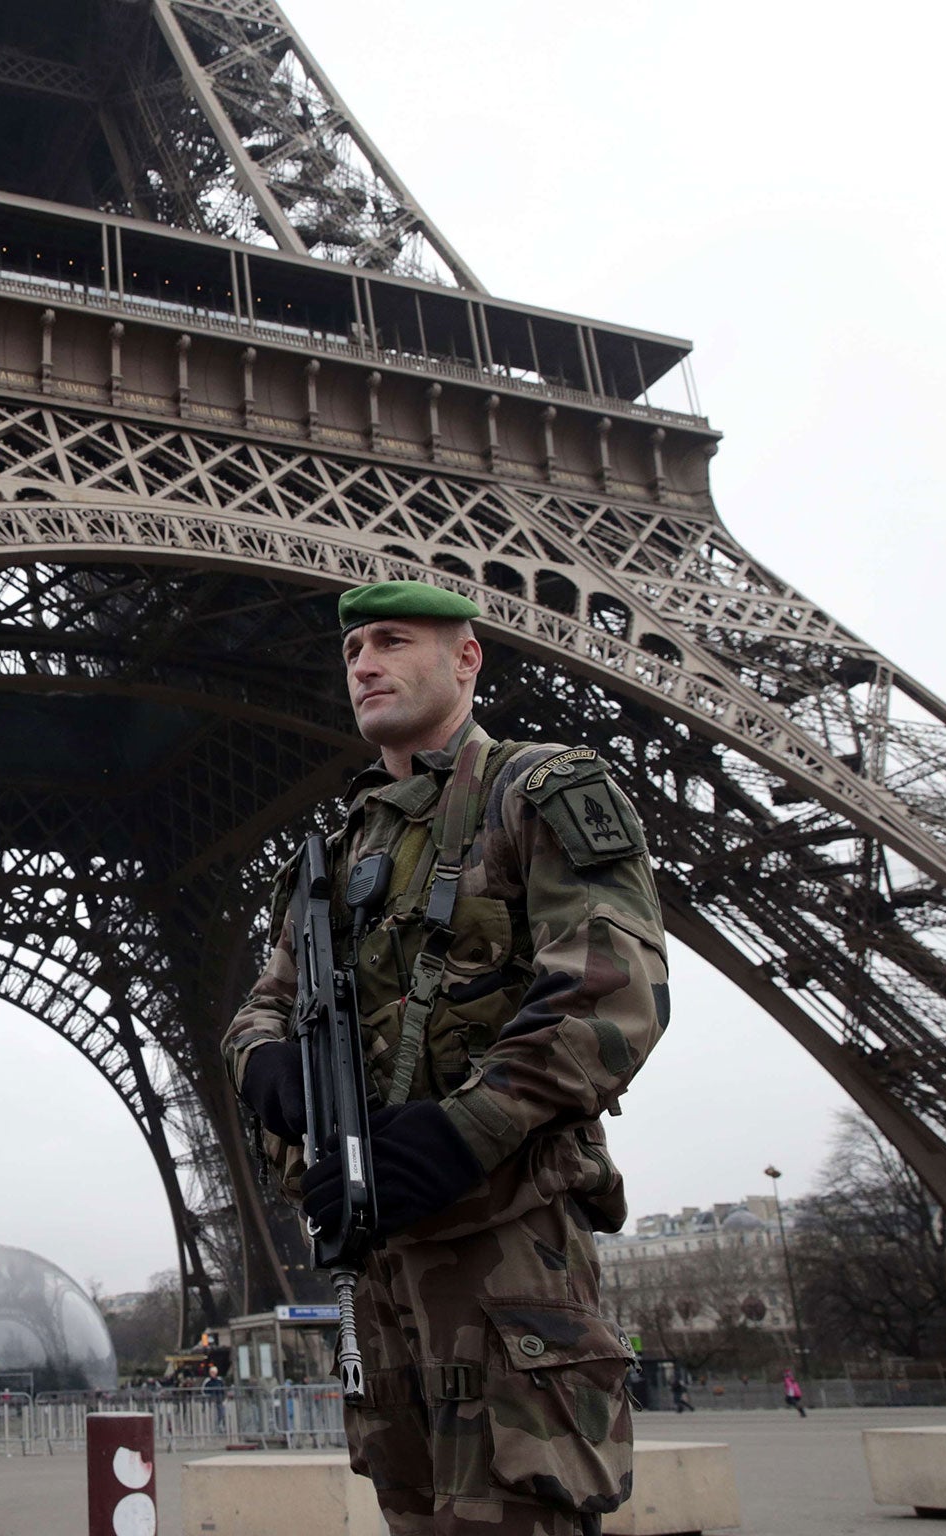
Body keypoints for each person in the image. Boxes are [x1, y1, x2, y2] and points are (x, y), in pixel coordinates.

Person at [224, 580, 669, 1536]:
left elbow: (612, 987)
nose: (366, 664)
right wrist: (272, 1073)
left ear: (467, 658)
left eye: (392, 640)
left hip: (503, 1248)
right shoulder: (334, 855)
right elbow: (262, 1007)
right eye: (351, 653)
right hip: (380, 1258)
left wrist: (461, 1132)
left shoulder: (539, 789)